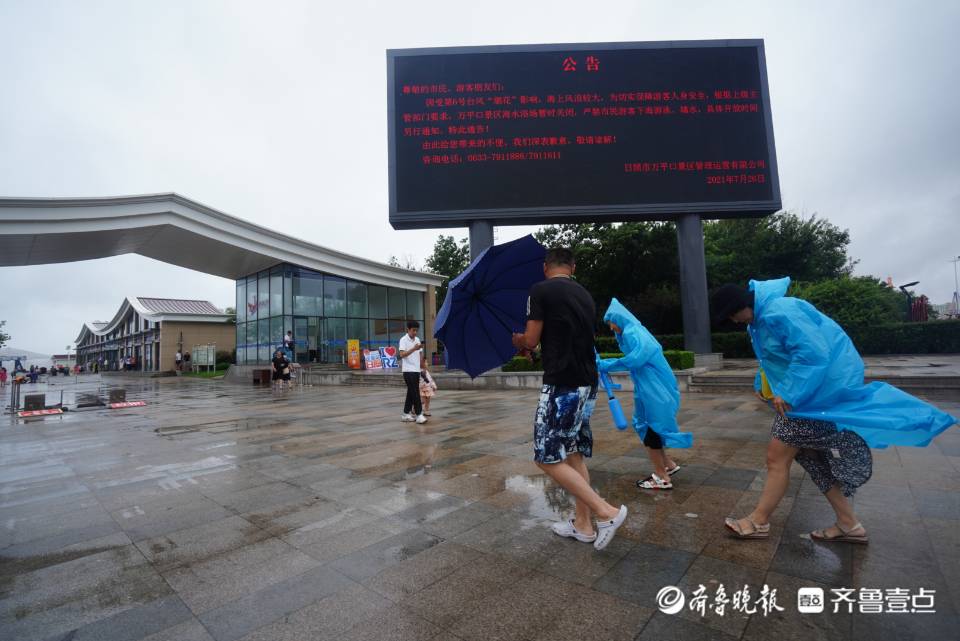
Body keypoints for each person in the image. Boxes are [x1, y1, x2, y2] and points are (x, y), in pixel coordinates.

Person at [711, 278, 957, 542]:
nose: (734, 321)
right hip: (810, 396)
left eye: (733, 314)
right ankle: (848, 524)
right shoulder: (759, 321)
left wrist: (791, 392)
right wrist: (763, 383)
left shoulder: (779, 312)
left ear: (742, 304)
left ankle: (759, 521)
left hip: (812, 397)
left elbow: (814, 355)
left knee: (776, 458)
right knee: (813, 460)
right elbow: (774, 359)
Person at [512, 248, 627, 551]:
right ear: (573, 266)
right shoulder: (584, 294)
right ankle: (583, 525)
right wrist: (534, 348)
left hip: (562, 384)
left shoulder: (540, 290)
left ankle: (607, 512)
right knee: (573, 454)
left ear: (545, 267)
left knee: (545, 457)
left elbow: (532, 338)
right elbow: (559, 340)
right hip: (587, 382)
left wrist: (521, 341)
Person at [597, 298, 693, 490]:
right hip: (648, 386)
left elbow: (635, 359)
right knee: (644, 424)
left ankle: (661, 477)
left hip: (656, 388)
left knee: (652, 428)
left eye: (611, 323)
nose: (610, 328)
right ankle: (668, 465)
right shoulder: (633, 332)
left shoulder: (634, 332)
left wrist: (606, 364)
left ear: (618, 318)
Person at [398, 320, 428, 424]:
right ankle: (419, 414)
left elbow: (420, 356)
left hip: (416, 370)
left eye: (416, 330)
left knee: (411, 392)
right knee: (415, 392)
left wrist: (423, 368)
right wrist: (413, 348)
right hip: (408, 370)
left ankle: (406, 413)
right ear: (408, 329)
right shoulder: (403, 340)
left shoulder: (418, 339)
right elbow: (402, 354)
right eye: (413, 330)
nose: (415, 332)